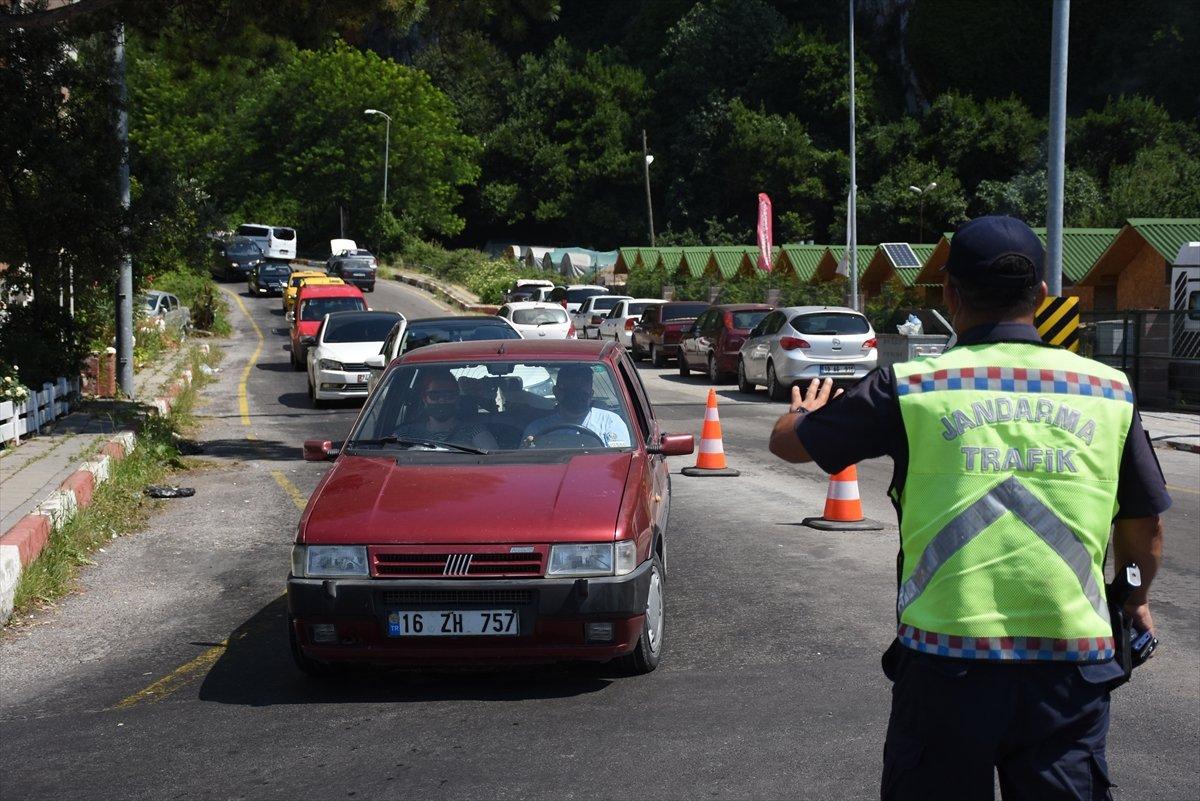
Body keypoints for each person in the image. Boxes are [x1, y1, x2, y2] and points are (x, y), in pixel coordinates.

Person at [768, 216, 1169, 800]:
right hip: (1069, 672)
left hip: (944, 667)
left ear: (952, 294)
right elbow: (1146, 526)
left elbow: (789, 445)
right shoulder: (1107, 391)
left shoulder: (909, 387)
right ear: (1039, 296)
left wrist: (800, 414)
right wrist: (1135, 598)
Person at [521, 364, 631, 447]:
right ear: (556, 392)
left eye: (582, 391)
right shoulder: (538, 429)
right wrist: (530, 449)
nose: (576, 397)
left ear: (591, 394)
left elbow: (621, 461)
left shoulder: (610, 423)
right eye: (571, 391)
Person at [396, 368, 497, 451]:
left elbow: (494, 461)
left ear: (457, 398)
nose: (442, 400)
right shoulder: (406, 434)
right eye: (434, 396)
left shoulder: (475, 431)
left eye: (448, 395)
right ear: (424, 399)